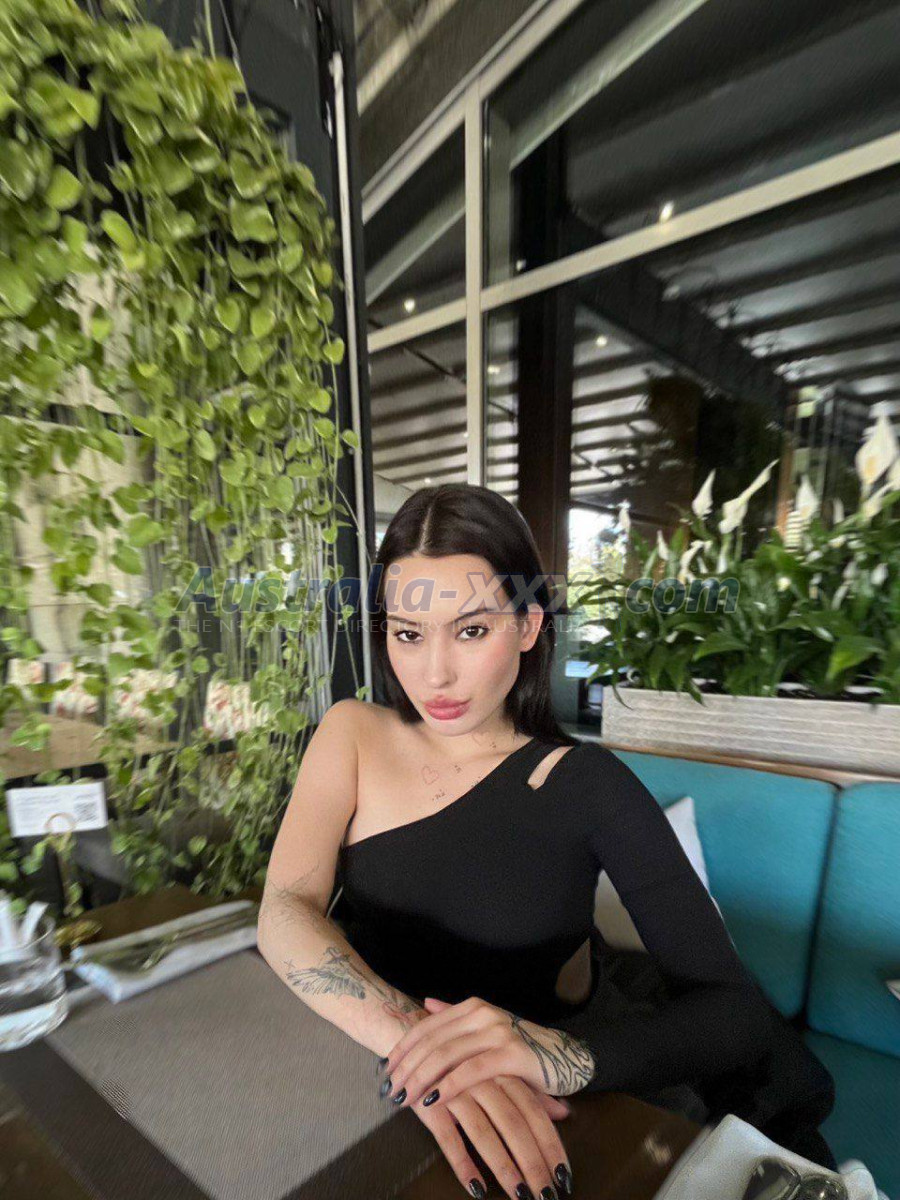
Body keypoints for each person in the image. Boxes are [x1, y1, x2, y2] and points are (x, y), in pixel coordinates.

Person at [257, 483, 837, 1200]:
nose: (434, 673)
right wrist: (423, 1048)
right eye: (408, 634)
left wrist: (552, 1057)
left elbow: (734, 1012)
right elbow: (286, 905)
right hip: (370, 1067)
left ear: (529, 626)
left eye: (472, 631)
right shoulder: (352, 732)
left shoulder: (584, 783)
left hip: (550, 1109)